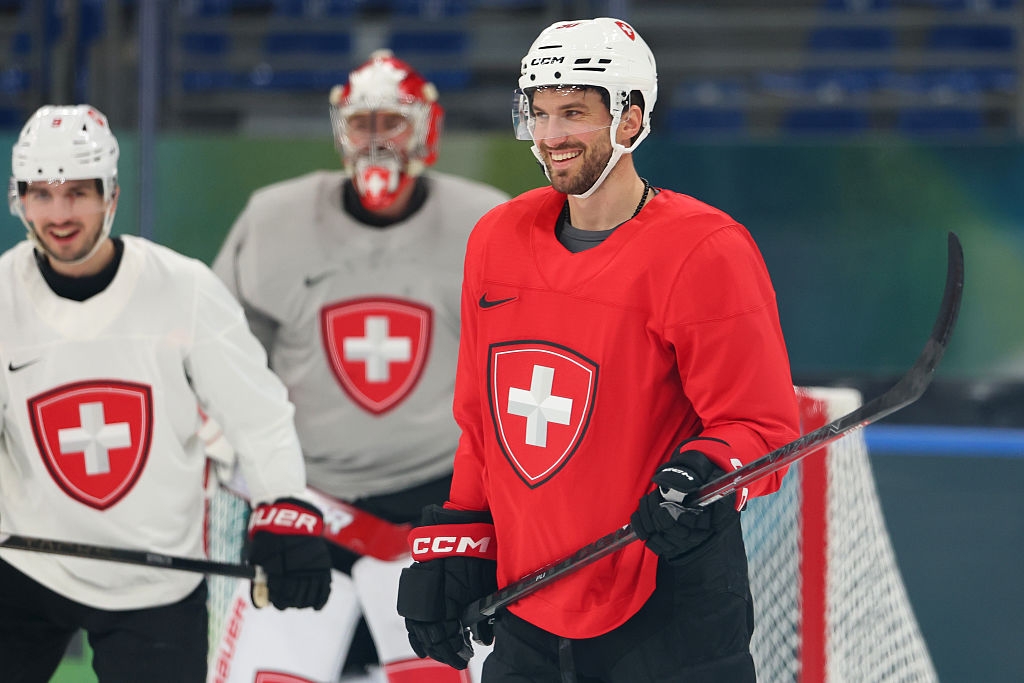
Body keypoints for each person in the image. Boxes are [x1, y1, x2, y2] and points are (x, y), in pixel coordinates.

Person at [396, 17, 802, 683]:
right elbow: (482, 424)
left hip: (670, 606)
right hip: (528, 605)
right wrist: (461, 540)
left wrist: (703, 473)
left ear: (631, 119)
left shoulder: (705, 248)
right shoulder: (497, 236)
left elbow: (763, 427)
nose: (552, 135)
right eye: (542, 112)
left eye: (575, 113)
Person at [0, 104, 332, 683]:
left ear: (112, 195)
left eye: (78, 191)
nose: (59, 213)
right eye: (42, 193)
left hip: (155, 582)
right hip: (25, 568)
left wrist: (285, 507)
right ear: (18, 198)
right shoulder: (2, 294)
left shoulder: (185, 289)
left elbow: (257, 414)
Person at [208, 50, 509, 683]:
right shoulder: (273, 218)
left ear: (428, 128)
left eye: (392, 123)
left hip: (438, 505)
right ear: (339, 130)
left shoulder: (487, 221)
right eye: (362, 123)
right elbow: (223, 356)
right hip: (307, 500)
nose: (376, 141)